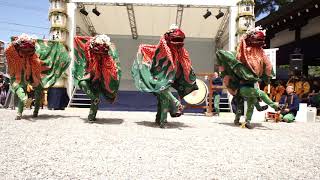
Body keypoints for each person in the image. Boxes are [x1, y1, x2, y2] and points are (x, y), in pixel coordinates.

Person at [131, 24, 198, 128]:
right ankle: (166, 118)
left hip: (168, 79)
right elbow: (149, 51)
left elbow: (186, 63)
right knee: (164, 97)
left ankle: (160, 119)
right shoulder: (160, 50)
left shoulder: (180, 52)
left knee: (162, 99)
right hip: (157, 79)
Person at [73, 34, 121, 122]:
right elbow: (86, 47)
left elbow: (114, 63)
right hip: (90, 74)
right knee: (82, 83)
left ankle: (91, 116)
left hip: (100, 77)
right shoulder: (89, 50)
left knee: (95, 97)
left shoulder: (107, 56)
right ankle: (94, 99)